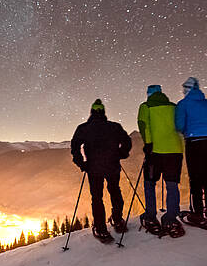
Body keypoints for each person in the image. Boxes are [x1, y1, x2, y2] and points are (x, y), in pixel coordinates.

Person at [71, 99, 132, 242]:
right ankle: (117, 220)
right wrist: (121, 154)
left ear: (91, 112)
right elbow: (127, 141)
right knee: (115, 191)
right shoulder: (114, 127)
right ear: (103, 112)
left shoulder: (84, 128)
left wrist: (82, 164)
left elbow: (75, 147)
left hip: (93, 168)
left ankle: (101, 228)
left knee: (97, 197)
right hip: (112, 165)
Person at [138, 84, 184, 237]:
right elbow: (180, 126)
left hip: (155, 152)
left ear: (149, 94)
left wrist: (148, 145)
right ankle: (171, 219)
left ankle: (150, 216)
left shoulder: (146, 106)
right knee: (172, 185)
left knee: (149, 182)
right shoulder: (174, 106)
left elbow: (144, 126)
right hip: (175, 151)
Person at [175, 77, 207, 227]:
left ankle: (198, 214)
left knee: (195, 178)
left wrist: (187, 131)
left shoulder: (183, 104)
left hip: (194, 143)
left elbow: (179, 125)